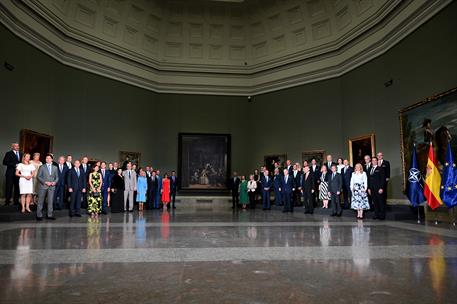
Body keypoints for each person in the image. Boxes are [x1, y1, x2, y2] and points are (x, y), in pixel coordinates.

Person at [36, 154, 59, 220]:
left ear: (52, 159)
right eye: (46, 158)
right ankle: (39, 215)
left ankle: (49, 215)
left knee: (50, 201)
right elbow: (38, 177)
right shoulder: (42, 167)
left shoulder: (55, 167)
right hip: (43, 186)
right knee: (40, 201)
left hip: (52, 186)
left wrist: (55, 182)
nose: (48, 159)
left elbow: (57, 177)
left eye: (49, 158)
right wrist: (45, 182)